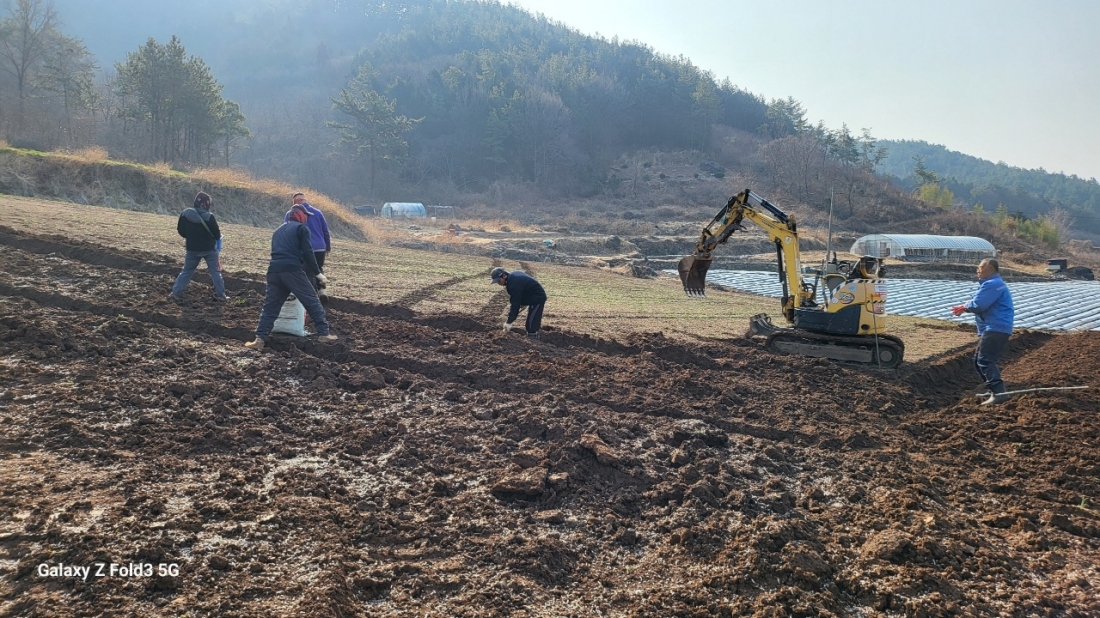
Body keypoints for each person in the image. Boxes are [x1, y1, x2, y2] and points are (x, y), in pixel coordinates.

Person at [245, 204, 337, 350]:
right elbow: (308, 253)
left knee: (270, 307)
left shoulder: (277, 231)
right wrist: (318, 273)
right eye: (305, 216)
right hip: (292, 271)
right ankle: (324, 333)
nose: (307, 218)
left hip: (274, 271)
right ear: (301, 216)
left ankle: (259, 339)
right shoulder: (302, 229)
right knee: (312, 300)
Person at [952, 258, 1014, 405]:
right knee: (977, 361)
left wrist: (965, 307)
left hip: (996, 327)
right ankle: (992, 389)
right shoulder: (993, 284)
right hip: (995, 327)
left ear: (991, 269)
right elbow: (977, 302)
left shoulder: (992, 284)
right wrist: (965, 306)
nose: (977, 270)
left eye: (980, 267)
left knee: (985, 360)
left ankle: (999, 393)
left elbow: (979, 304)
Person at [170, 191, 227, 301]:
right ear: (207, 204)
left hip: (192, 249)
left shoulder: (185, 214)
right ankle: (221, 296)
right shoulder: (209, 217)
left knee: (186, 271)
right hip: (209, 249)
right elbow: (217, 235)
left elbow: (181, 231)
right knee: (215, 271)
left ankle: (175, 293)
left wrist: (191, 237)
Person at [283, 192, 331, 302]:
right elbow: (325, 231)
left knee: (303, 271)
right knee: (318, 269)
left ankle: (306, 295)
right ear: (305, 200)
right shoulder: (318, 213)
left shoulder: (290, 214)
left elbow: (287, 231)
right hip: (319, 247)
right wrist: (327, 246)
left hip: (302, 248)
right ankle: (322, 290)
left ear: (295, 202)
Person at [491, 266, 547, 340]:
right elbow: (524, 288)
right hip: (531, 296)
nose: (498, 283)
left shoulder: (513, 284)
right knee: (530, 323)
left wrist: (509, 322)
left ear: (504, 276)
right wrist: (523, 302)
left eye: (499, 281)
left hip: (538, 298)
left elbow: (515, 305)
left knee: (531, 325)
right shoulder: (513, 275)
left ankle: (534, 342)